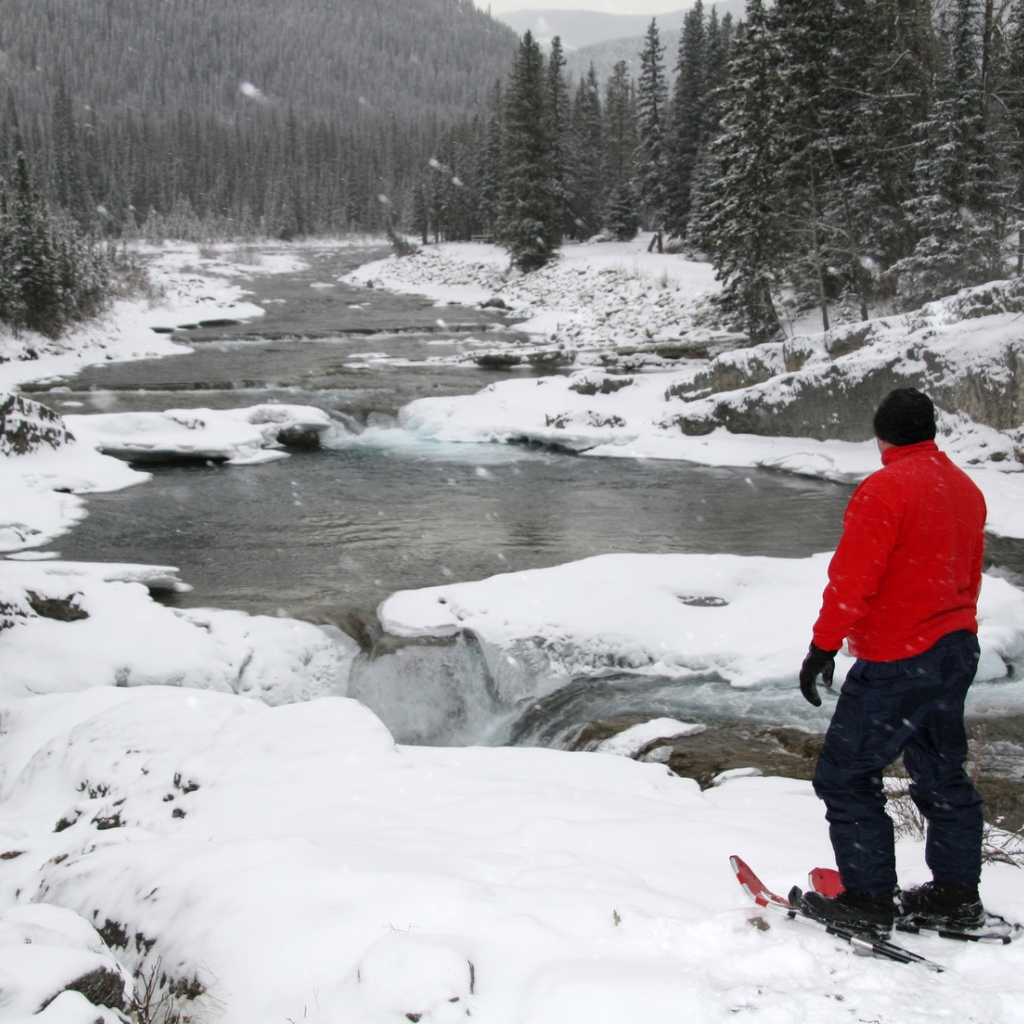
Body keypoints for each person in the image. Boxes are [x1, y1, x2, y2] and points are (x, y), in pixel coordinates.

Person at [796, 387, 987, 939]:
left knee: (846, 776)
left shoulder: (885, 488)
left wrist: (823, 646)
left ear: (881, 435)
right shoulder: (964, 488)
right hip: (954, 647)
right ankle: (955, 895)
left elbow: (853, 580)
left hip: (900, 656)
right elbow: (968, 574)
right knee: (940, 771)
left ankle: (870, 900)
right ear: (930, 430)